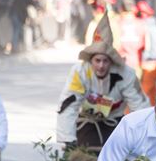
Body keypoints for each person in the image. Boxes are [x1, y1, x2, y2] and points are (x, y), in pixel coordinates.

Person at [56, 12, 150, 148]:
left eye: (105, 61)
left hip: (115, 123)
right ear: (91, 60)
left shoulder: (126, 73)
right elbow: (68, 104)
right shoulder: (80, 72)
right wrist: (68, 139)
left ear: (111, 61)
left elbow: (140, 106)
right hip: (87, 123)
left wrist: (144, 137)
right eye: (97, 61)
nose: (101, 65)